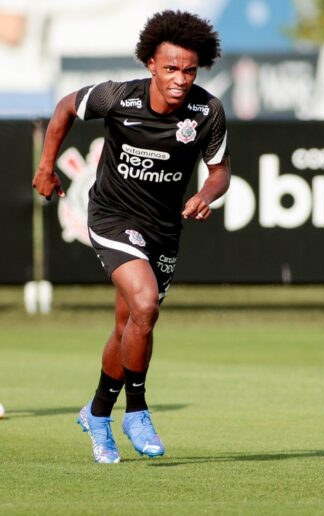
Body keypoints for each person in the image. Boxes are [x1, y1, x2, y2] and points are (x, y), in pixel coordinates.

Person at [31, 10, 230, 464]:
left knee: (130, 325)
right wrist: (45, 166)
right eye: (171, 68)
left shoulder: (207, 111)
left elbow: (220, 172)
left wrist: (205, 194)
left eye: (189, 70)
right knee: (145, 305)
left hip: (163, 228)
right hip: (112, 216)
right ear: (150, 65)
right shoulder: (117, 97)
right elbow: (65, 107)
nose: (180, 79)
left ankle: (97, 413)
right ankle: (136, 409)